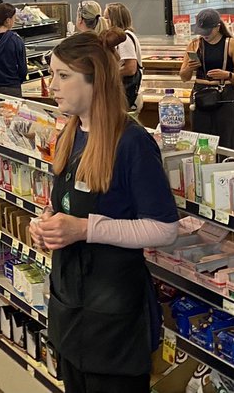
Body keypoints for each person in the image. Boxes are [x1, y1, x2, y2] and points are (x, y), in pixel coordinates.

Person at [27, 31, 179, 393]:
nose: (52, 86)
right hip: (70, 310)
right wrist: (46, 225)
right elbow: (64, 204)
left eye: (63, 76)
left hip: (114, 321)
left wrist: (84, 229)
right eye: (52, 74)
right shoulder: (71, 133)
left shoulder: (132, 142)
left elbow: (164, 229)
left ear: (96, 80)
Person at [178, 9, 234, 151]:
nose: (204, 35)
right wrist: (190, 68)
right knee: (201, 140)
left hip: (225, 96)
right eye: (201, 31)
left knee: (227, 140)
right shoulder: (194, 45)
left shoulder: (232, 44)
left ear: (217, 27)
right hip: (200, 95)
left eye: (208, 32)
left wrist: (228, 75)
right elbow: (184, 77)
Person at [104, 3, 143, 110]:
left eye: (106, 18)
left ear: (114, 19)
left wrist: (108, 74)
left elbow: (130, 68)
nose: (104, 21)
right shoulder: (123, 37)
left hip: (128, 94)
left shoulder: (124, 39)